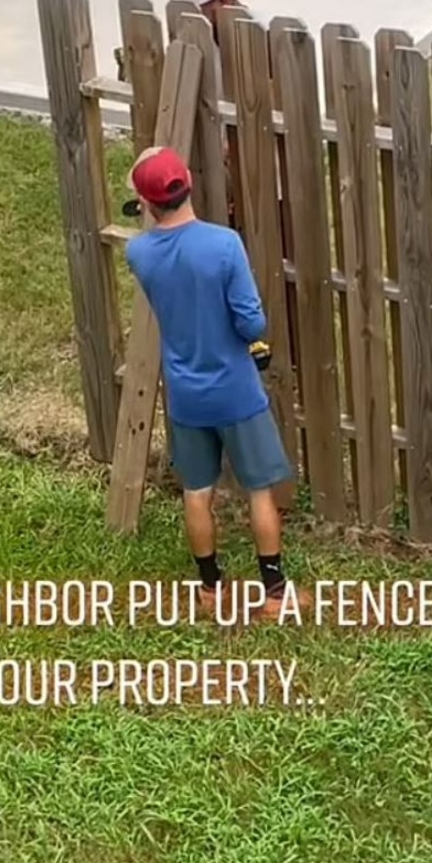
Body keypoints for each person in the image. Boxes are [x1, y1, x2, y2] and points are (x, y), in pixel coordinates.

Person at [124, 145, 295, 620]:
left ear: (146, 203)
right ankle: (275, 593)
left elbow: (160, 246)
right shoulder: (224, 245)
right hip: (237, 393)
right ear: (189, 186)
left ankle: (210, 589)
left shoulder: (138, 253)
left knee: (196, 493)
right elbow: (251, 325)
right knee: (260, 490)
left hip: (187, 396)